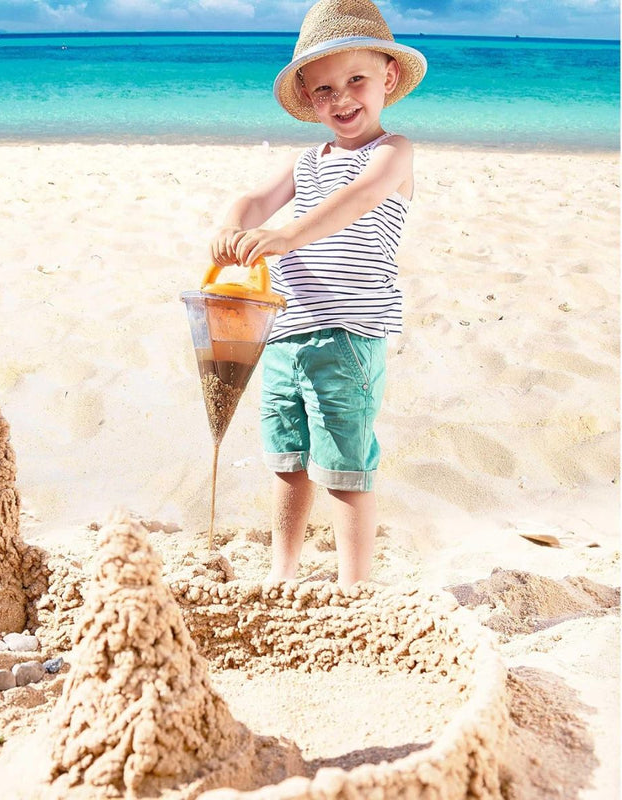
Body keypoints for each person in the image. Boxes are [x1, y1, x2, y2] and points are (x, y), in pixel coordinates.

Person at [209, 0, 427, 588]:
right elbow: (254, 202)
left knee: (345, 462)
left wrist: (285, 234)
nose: (342, 97)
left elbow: (355, 200)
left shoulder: (391, 152)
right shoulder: (308, 161)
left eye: (356, 79)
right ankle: (284, 574)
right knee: (289, 460)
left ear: (388, 77)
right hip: (284, 331)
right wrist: (233, 222)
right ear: (309, 98)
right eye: (325, 89)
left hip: (348, 334)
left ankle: (353, 585)